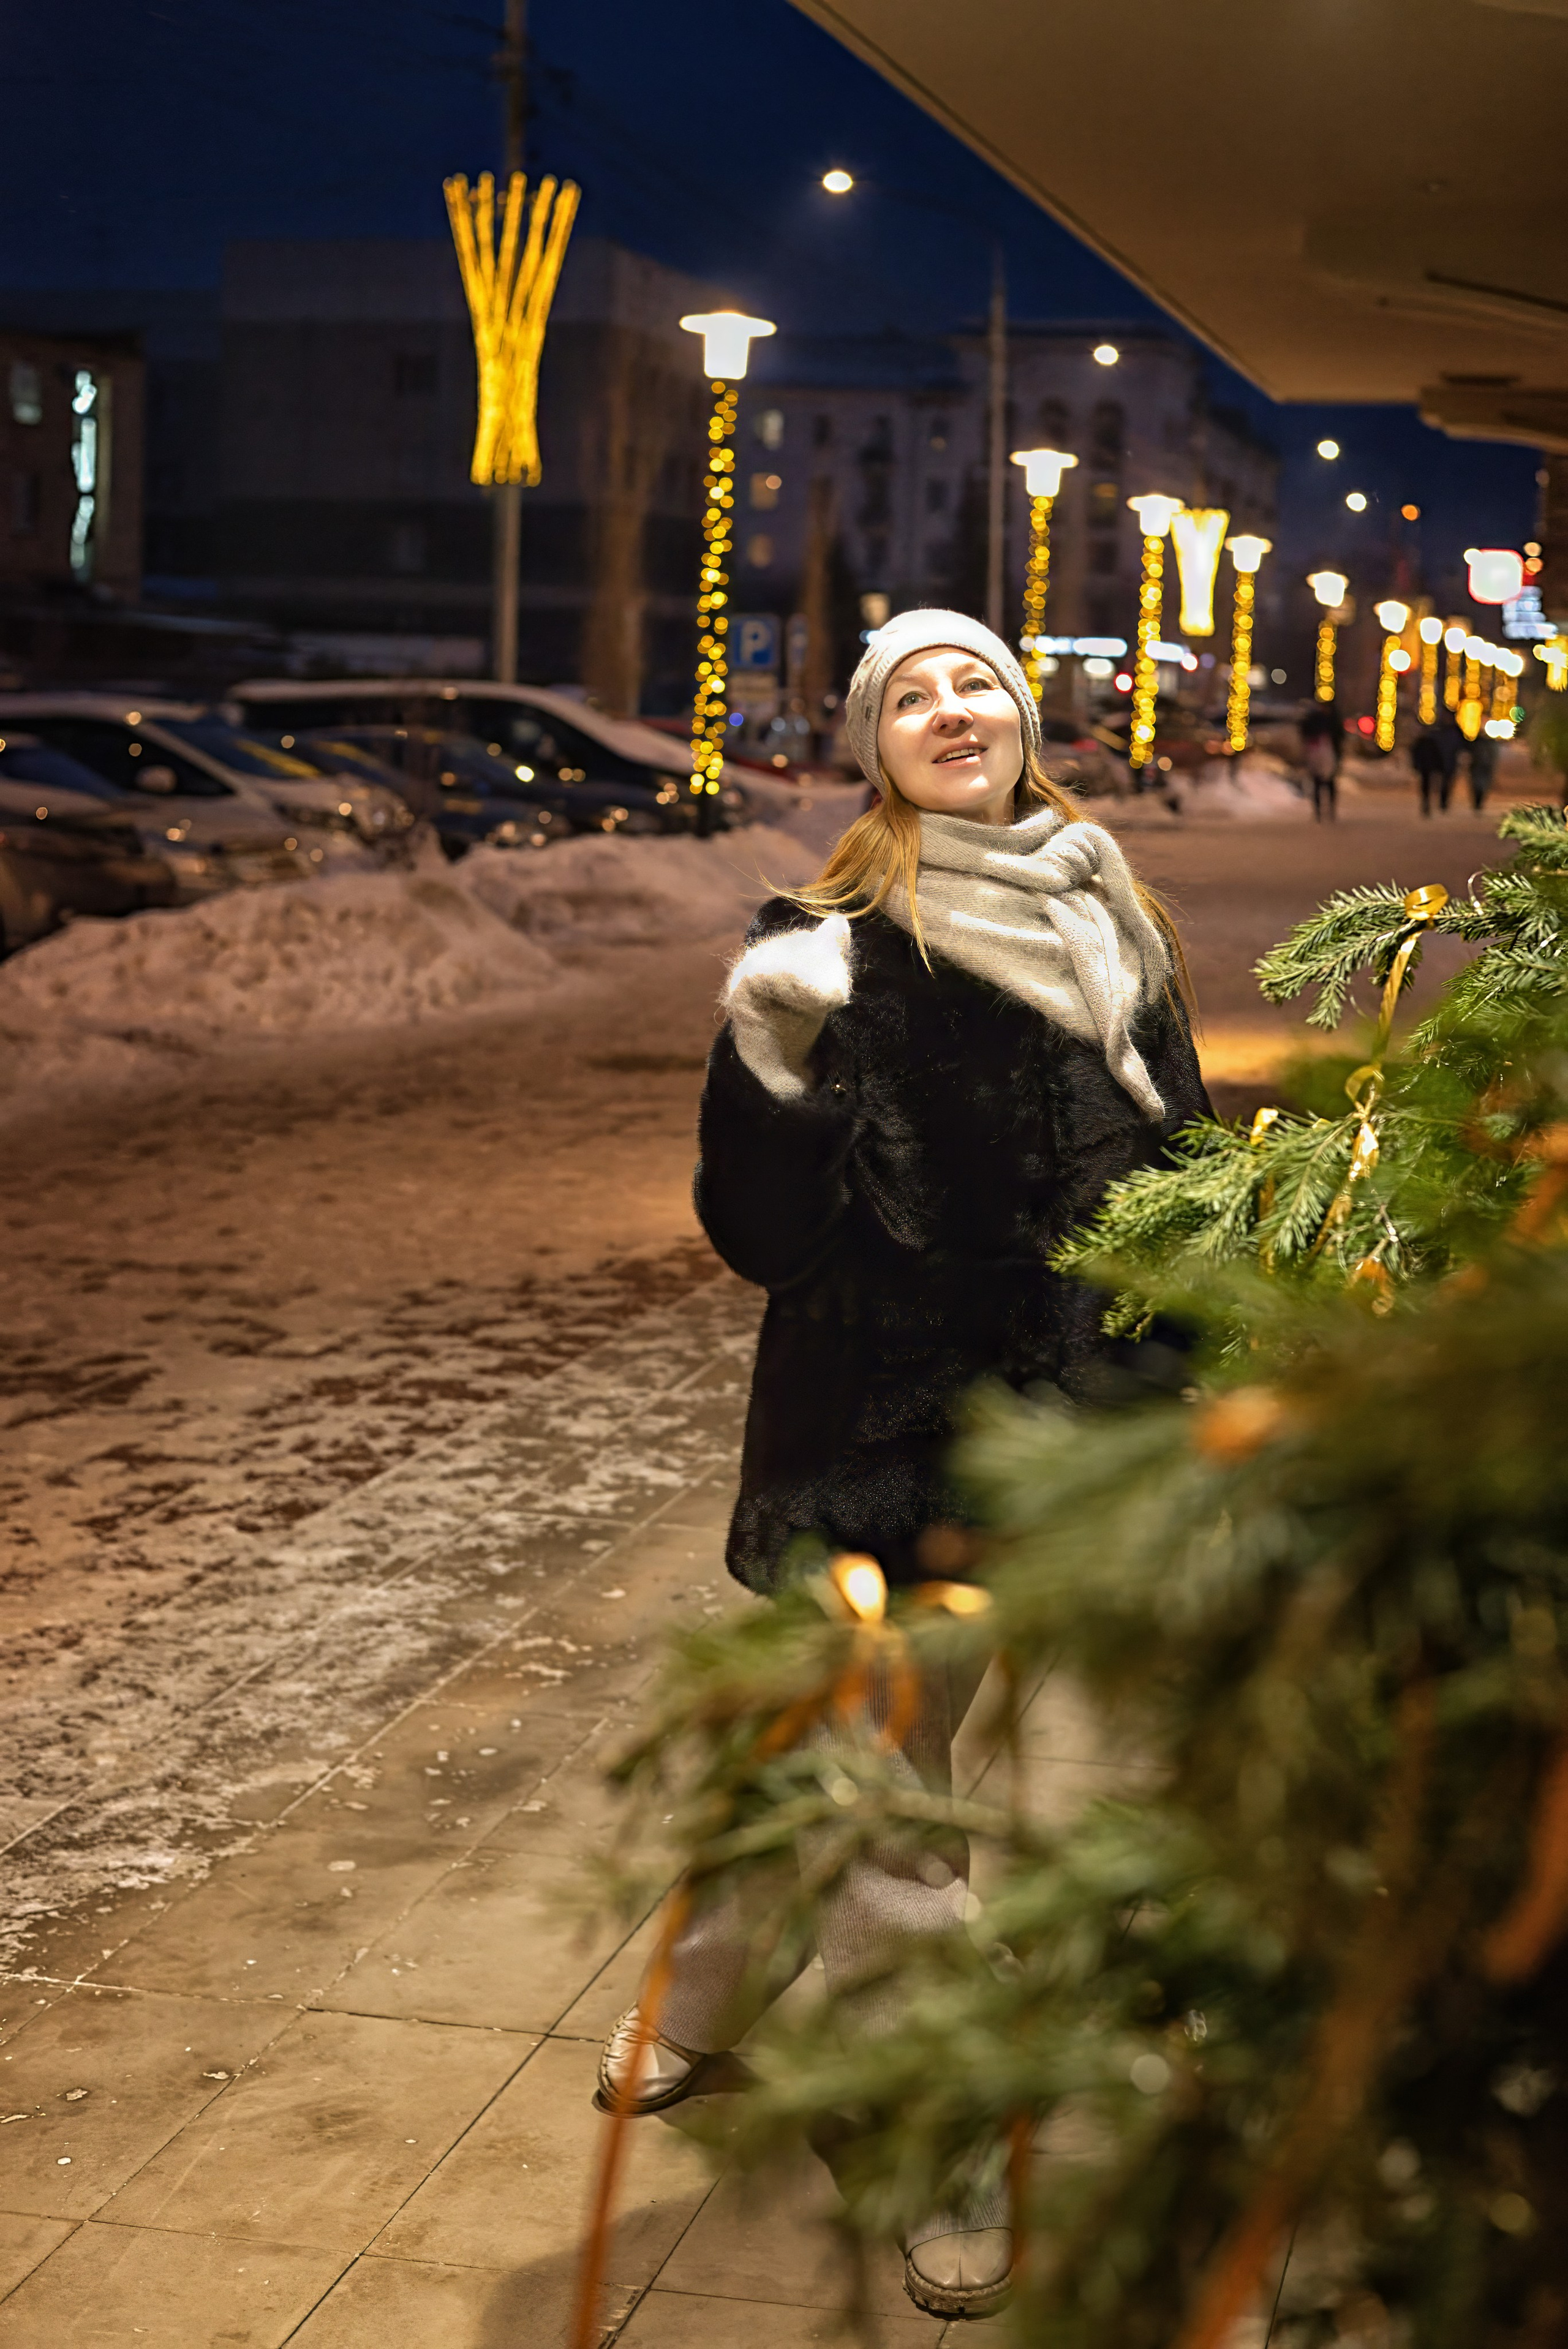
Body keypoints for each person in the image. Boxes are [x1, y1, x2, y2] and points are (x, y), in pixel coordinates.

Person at [595, 609, 1210, 2320]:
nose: (954, 709)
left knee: (837, 1768)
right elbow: (761, 1235)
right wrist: (774, 1068)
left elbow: (1185, 1167)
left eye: (979, 685)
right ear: (877, 747)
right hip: (879, 1445)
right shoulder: (829, 939)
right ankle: (940, 2132)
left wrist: (1216, 1357)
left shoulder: (1114, 917)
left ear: (1025, 720)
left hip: (1080, 1437)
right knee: (897, 1819)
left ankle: (695, 1999)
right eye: (914, 695)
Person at [1298, 699, 1344, 821]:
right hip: (1320, 755)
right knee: (1321, 784)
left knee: (1327, 784)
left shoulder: (1330, 721)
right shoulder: (1321, 720)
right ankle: (1321, 812)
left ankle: (1328, 811)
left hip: (1328, 755)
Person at [1411, 724, 1446, 818]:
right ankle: (1426, 804)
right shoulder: (1421, 743)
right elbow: (1416, 755)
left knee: (1430, 787)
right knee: (1425, 786)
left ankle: (1429, 804)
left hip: (1430, 768)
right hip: (1425, 768)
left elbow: (1437, 755)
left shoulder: (1431, 742)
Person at [1468, 725, 1499, 812]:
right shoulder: (1478, 743)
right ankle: (1478, 803)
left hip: (1483, 767)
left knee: (1480, 785)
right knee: (1479, 785)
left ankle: (1478, 803)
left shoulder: (1482, 743)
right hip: (1478, 766)